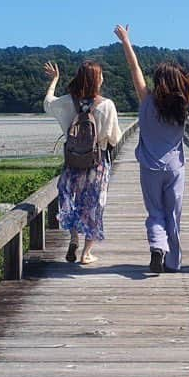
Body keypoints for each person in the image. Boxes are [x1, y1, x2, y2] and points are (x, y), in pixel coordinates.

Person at [114, 25, 189, 274]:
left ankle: (157, 247)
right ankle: (173, 262)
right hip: (175, 168)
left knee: (155, 212)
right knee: (173, 215)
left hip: (149, 168)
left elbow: (134, 69)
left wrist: (126, 41)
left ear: (157, 81)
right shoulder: (182, 103)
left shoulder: (147, 101)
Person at [43, 59, 122, 265]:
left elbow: (48, 103)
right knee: (94, 204)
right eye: (101, 74)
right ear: (96, 79)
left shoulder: (69, 102)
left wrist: (55, 80)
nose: (103, 78)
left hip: (73, 162)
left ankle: (73, 238)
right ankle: (86, 253)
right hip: (97, 163)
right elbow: (115, 139)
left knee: (72, 200)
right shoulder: (106, 105)